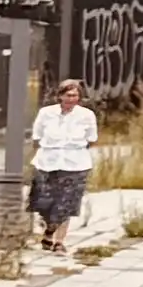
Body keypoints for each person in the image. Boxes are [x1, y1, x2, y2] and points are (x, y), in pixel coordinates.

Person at [30, 80, 98, 257]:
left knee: (66, 203)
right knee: (44, 203)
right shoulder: (46, 113)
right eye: (68, 95)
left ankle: (59, 242)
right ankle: (49, 229)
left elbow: (91, 139)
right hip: (47, 162)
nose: (71, 99)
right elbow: (36, 136)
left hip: (75, 163)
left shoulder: (87, 115)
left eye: (75, 95)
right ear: (60, 96)